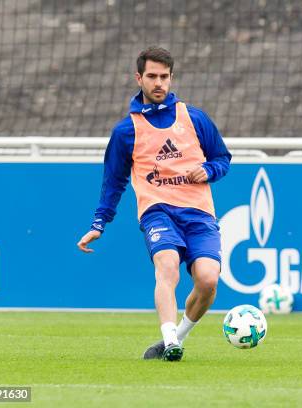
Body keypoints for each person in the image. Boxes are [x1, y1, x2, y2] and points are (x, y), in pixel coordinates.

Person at [76, 46, 231, 362]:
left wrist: (209, 170)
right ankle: (169, 337)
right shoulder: (125, 131)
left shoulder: (195, 118)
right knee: (167, 266)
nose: (158, 83)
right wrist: (98, 224)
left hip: (199, 213)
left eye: (164, 76)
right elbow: (113, 181)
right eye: (152, 76)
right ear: (139, 78)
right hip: (158, 212)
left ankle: (176, 339)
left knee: (207, 279)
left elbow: (222, 158)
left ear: (171, 78)